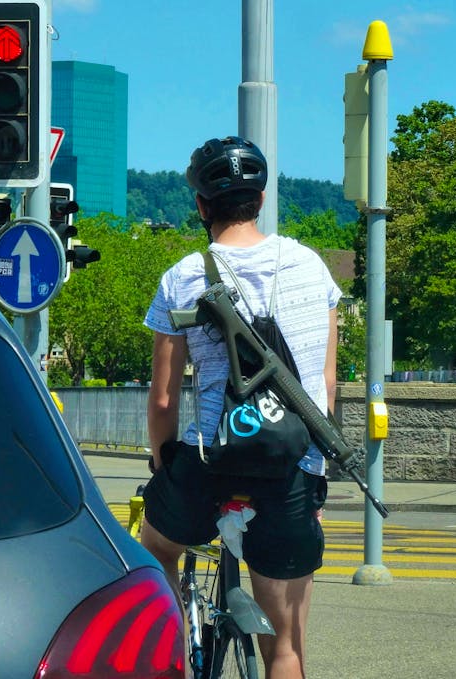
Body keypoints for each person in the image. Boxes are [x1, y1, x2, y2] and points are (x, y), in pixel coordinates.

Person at [142, 136, 341, 679]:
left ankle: (174, 644)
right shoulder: (310, 267)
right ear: (260, 198)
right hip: (290, 466)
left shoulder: (182, 277)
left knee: (156, 550)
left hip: (209, 465)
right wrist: (314, 476)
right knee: (288, 650)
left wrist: (164, 467)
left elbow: (163, 398)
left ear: (202, 206)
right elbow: (324, 385)